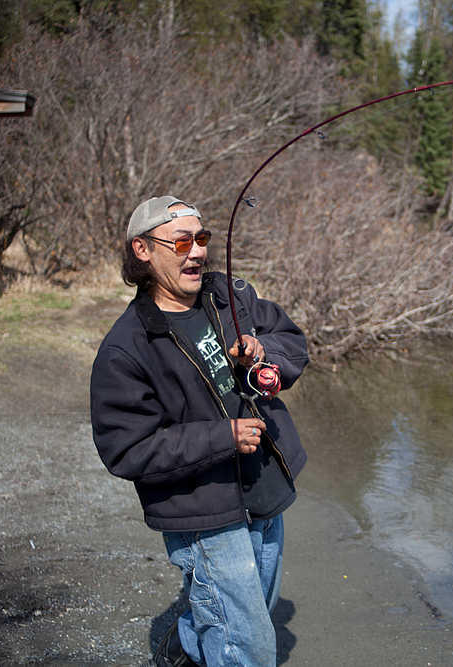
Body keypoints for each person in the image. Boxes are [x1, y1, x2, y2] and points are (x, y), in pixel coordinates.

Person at [90, 196, 309, 666]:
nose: (197, 252)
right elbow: (126, 449)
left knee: (248, 615)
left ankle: (187, 645)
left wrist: (263, 355)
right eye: (182, 241)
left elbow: (292, 341)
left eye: (202, 238)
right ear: (143, 250)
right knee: (247, 643)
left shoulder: (229, 295)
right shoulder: (126, 349)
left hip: (265, 489)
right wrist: (223, 437)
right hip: (204, 512)